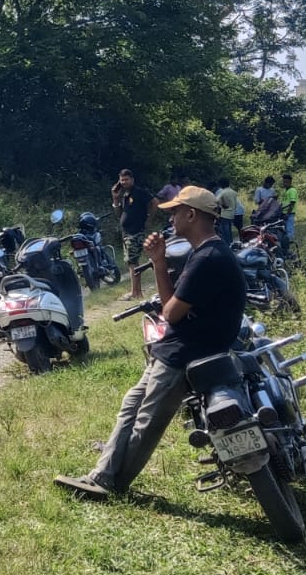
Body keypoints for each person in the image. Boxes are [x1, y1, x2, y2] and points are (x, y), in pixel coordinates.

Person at [53, 185, 245, 500]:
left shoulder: (207, 258)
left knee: (146, 421)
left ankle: (110, 485)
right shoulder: (210, 251)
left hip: (185, 354)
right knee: (131, 405)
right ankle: (101, 474)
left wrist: (157, 263)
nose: (170, 219)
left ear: (192, 215)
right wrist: (159, 260)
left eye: (175, 212)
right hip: (178, 348)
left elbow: (170, 312)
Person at [111, 169, 153, 301]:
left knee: (132, 261)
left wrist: (149, 219)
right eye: (122, 180)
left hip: (136, 231)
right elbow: (119, 214)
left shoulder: (139, 192)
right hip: (126, 232)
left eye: (126, 179)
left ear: (132, 180)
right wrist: (115, 199)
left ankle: (135, 293)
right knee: (131, 262)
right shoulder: (125, 195)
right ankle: (136, 291)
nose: (124, 182)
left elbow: (155, 202)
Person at [214, 179, 239, 246]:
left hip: (225, 213)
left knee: (225, 230)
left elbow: (216, 200)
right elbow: (235, 203)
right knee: (229, 229)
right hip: (232, 213)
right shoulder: (234, 192)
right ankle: (231, 243)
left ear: (221, 185)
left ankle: (227, 244)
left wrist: (222, 205)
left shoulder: (223, 192)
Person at [280, 174, 300, 242]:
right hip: (283, 212)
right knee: (284, 229)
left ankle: (290, 241)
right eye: (284, 182)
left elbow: (292, 202)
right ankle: (285, 242)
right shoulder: (285, 190)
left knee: (289, 228)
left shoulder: (292, 190)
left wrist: (288, 214)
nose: (285, 183)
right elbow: (283, 202)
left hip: (289, 213)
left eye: (286, 182)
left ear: (290, 182)